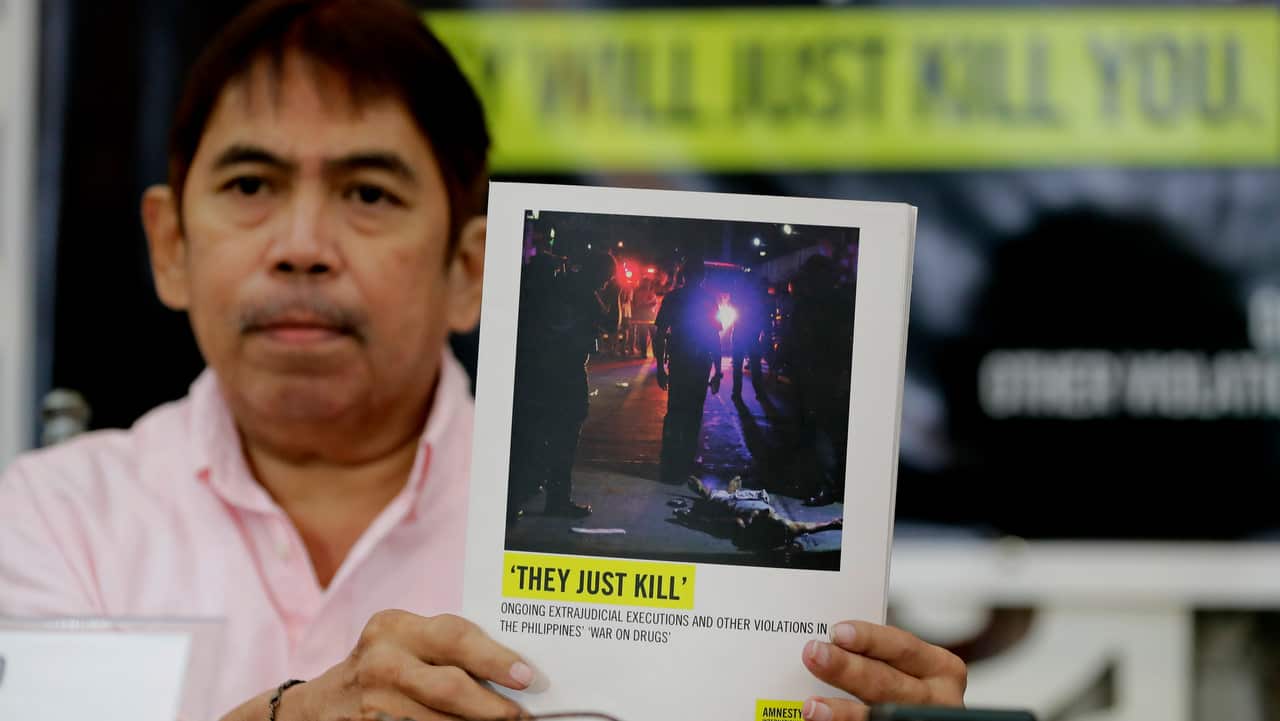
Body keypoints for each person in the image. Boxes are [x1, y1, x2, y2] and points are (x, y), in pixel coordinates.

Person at [0, 2, 966, 721]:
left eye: (368, 194)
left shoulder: (549, 516)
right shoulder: (48, 521)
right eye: (250, 183)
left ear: (471, 268)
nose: (301, 244)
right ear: (170, 244)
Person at [653, 258, 724, 485]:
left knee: (675, 413)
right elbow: (714, 337)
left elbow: (660, 333)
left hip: (680, 362)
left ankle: (670, 464)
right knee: (693, 414)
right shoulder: (708, 300)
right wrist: (718, 370)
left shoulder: (673, 298)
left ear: (683, 276)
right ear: (703, 277)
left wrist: (660, 367)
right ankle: (685, 465)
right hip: (699, 363)